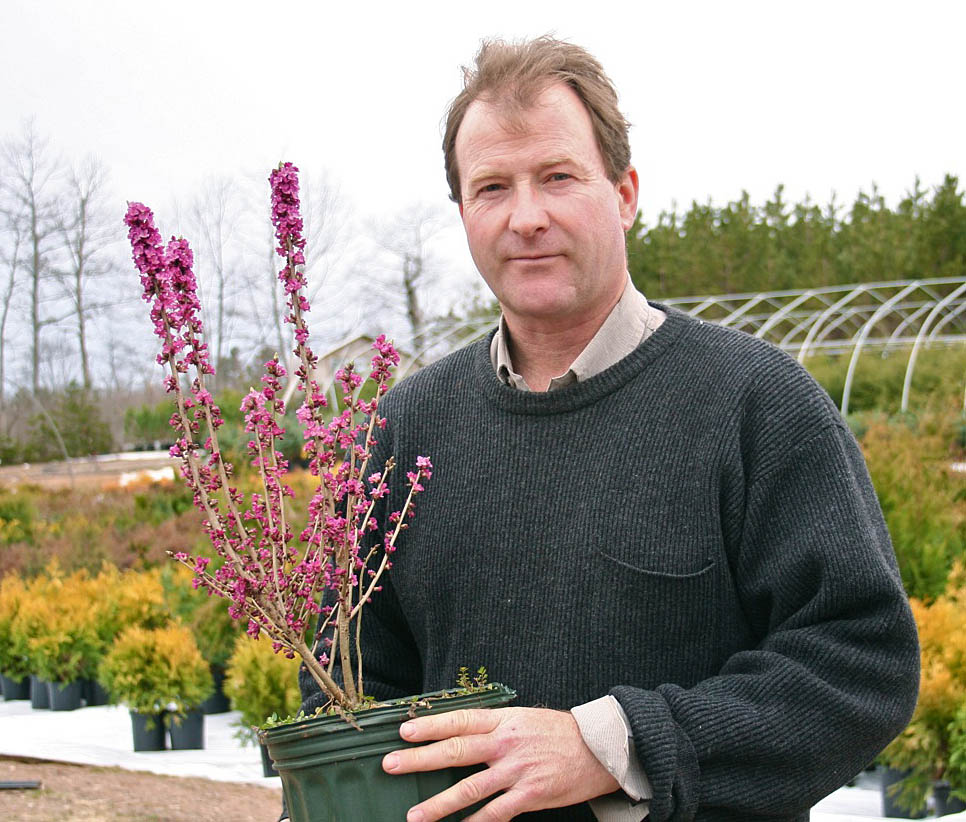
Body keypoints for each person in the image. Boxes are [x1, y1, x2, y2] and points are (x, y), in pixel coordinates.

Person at [292, 37, 919, 822]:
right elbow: (350, 688)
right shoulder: (405, 431)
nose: (527, 217)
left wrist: (617, 746)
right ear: (463, 215)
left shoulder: (755, 404)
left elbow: (860, 665)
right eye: (492, 187)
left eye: (558, 177)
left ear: (624, 193)